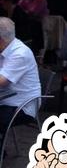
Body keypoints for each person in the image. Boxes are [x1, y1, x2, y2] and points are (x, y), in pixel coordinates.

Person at [0, 17, 41, 145]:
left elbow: (1, 81)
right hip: (6, 99)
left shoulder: (19, 53)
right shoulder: (6, 47)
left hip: (22, 105)